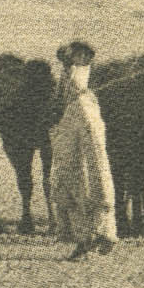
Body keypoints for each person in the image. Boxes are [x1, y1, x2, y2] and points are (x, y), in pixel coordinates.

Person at [50, 40, 118, 260]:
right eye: (75, 55)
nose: (78, 58)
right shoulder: (70, 78)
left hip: (84, 129)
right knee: (74, 179)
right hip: (71, 129)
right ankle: (88, 238)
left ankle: (97, 236)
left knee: (91, 179)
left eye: (82, 55)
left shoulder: (83, 88)